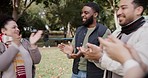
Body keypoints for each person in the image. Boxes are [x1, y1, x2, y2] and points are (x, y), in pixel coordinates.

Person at [79, 0, 148, 78]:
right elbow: (107, 65)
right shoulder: (117, 32)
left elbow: (139, 70)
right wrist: (94, 55)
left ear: (138, 10)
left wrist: (101, 57)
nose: (118, 12)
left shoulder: (145, 34)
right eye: (118, 8)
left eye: (123, 8)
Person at [58, 2, 111, 78]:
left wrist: (87, 53)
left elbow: (105, 56)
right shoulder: (79, 30)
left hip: (94, 74)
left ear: (95, 15)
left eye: (86, 13)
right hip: (76, 73)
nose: (82, 15)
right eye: (82, 13)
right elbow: (72, 49)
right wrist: (70, 52)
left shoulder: (104, 31)